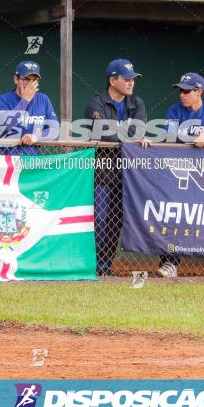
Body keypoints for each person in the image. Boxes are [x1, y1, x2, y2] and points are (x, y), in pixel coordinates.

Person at [157, 72, 204, 279]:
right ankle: (170, 262)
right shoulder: (174, 110)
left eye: (187, 91)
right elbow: (168, 136)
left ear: (199, 92)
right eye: (180, 90)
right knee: (173, 216)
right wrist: (192, 137)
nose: (182, 95)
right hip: (179, 171)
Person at [83, 58, 148, 276]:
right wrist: (127, 137)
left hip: (125, 169)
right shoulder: (96, 103)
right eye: (126, 79)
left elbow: (138, 131)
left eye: (133, 79)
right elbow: (102, 133)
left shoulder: (136, 103)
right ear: (113, 80)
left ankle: (105, 266)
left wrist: (125, 136)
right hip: (102, 166)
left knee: (115, 220)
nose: (131, 83)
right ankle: (93, 263)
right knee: (99, 218)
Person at [0, 61, 59, 154]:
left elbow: (54, 130)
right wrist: (24, 101)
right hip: (5, 160)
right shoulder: (2, 100)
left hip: (30, 161)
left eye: (34, 80)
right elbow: (6, 128)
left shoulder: (43, 99)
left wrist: (35, 137)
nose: (30, 84)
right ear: (16, 79)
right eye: (26, 79)